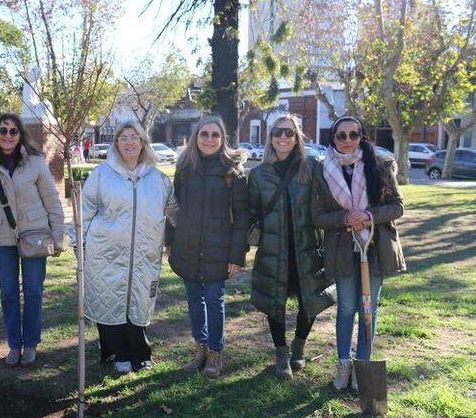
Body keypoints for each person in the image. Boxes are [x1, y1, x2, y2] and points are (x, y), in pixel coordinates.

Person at [311, 116, 405, 390]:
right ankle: (343, 365)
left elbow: (397, 207)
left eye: (354, 134)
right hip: (343, 250)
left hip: (374, 250)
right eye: (342, 136)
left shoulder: (381, 165)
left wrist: (368, 216)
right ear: (333, 139)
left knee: (369, 310)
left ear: (362, 136)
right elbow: (317, 217)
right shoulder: (322, 170)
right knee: (347, 308)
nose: (348, 140)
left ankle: (363, 366)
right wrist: (345, 219)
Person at [76, 120, 176, 373]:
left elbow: (174, 213)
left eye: (134, 137)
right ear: (117, 144)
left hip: (144, 254)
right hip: (106, 252)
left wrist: (173, 241)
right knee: (111, 301)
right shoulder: (101, 175)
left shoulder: (159, 179)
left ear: (143, 141)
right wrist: (80, 244)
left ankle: (140, 352)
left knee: (139, 301)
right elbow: (85, 211)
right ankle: (118, 352)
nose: (130, 142)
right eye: (124, 138)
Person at [0, 113, 66, 367]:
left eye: (13, 131)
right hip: (1, 239)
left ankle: (31, 343)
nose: (8, 135)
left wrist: (58, 236)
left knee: (34, 291)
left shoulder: (35, 162)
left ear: (20, 134)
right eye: (3, 130)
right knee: (9, 293)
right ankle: (14, 344)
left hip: (34, 235)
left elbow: (51, 200)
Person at [248, 114, 335, 380]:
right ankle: (281, 352)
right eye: (277, 132)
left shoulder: (311, 167)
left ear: (297, 137)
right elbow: (251, 211)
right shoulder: (258, 174)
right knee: (275, 302)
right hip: (274, 249)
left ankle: (299, 346)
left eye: (289, 132)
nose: (283, 137)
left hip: (305, 248)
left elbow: (330, 198)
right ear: (270, 137)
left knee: (310, 301)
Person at [166, 116, 250, 378]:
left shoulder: (232, 171)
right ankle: (200, 348)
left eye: (216, 135)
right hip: (188, 245)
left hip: (219, 248)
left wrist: (237, 254)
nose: (210, 139)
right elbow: (173, 209)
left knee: (214, 299)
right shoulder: (184, 168)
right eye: (205, 134)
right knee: (194, 298)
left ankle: (216, 351)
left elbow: (242, 216)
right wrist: (170, 241)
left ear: (223, 139)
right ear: (196, 137)